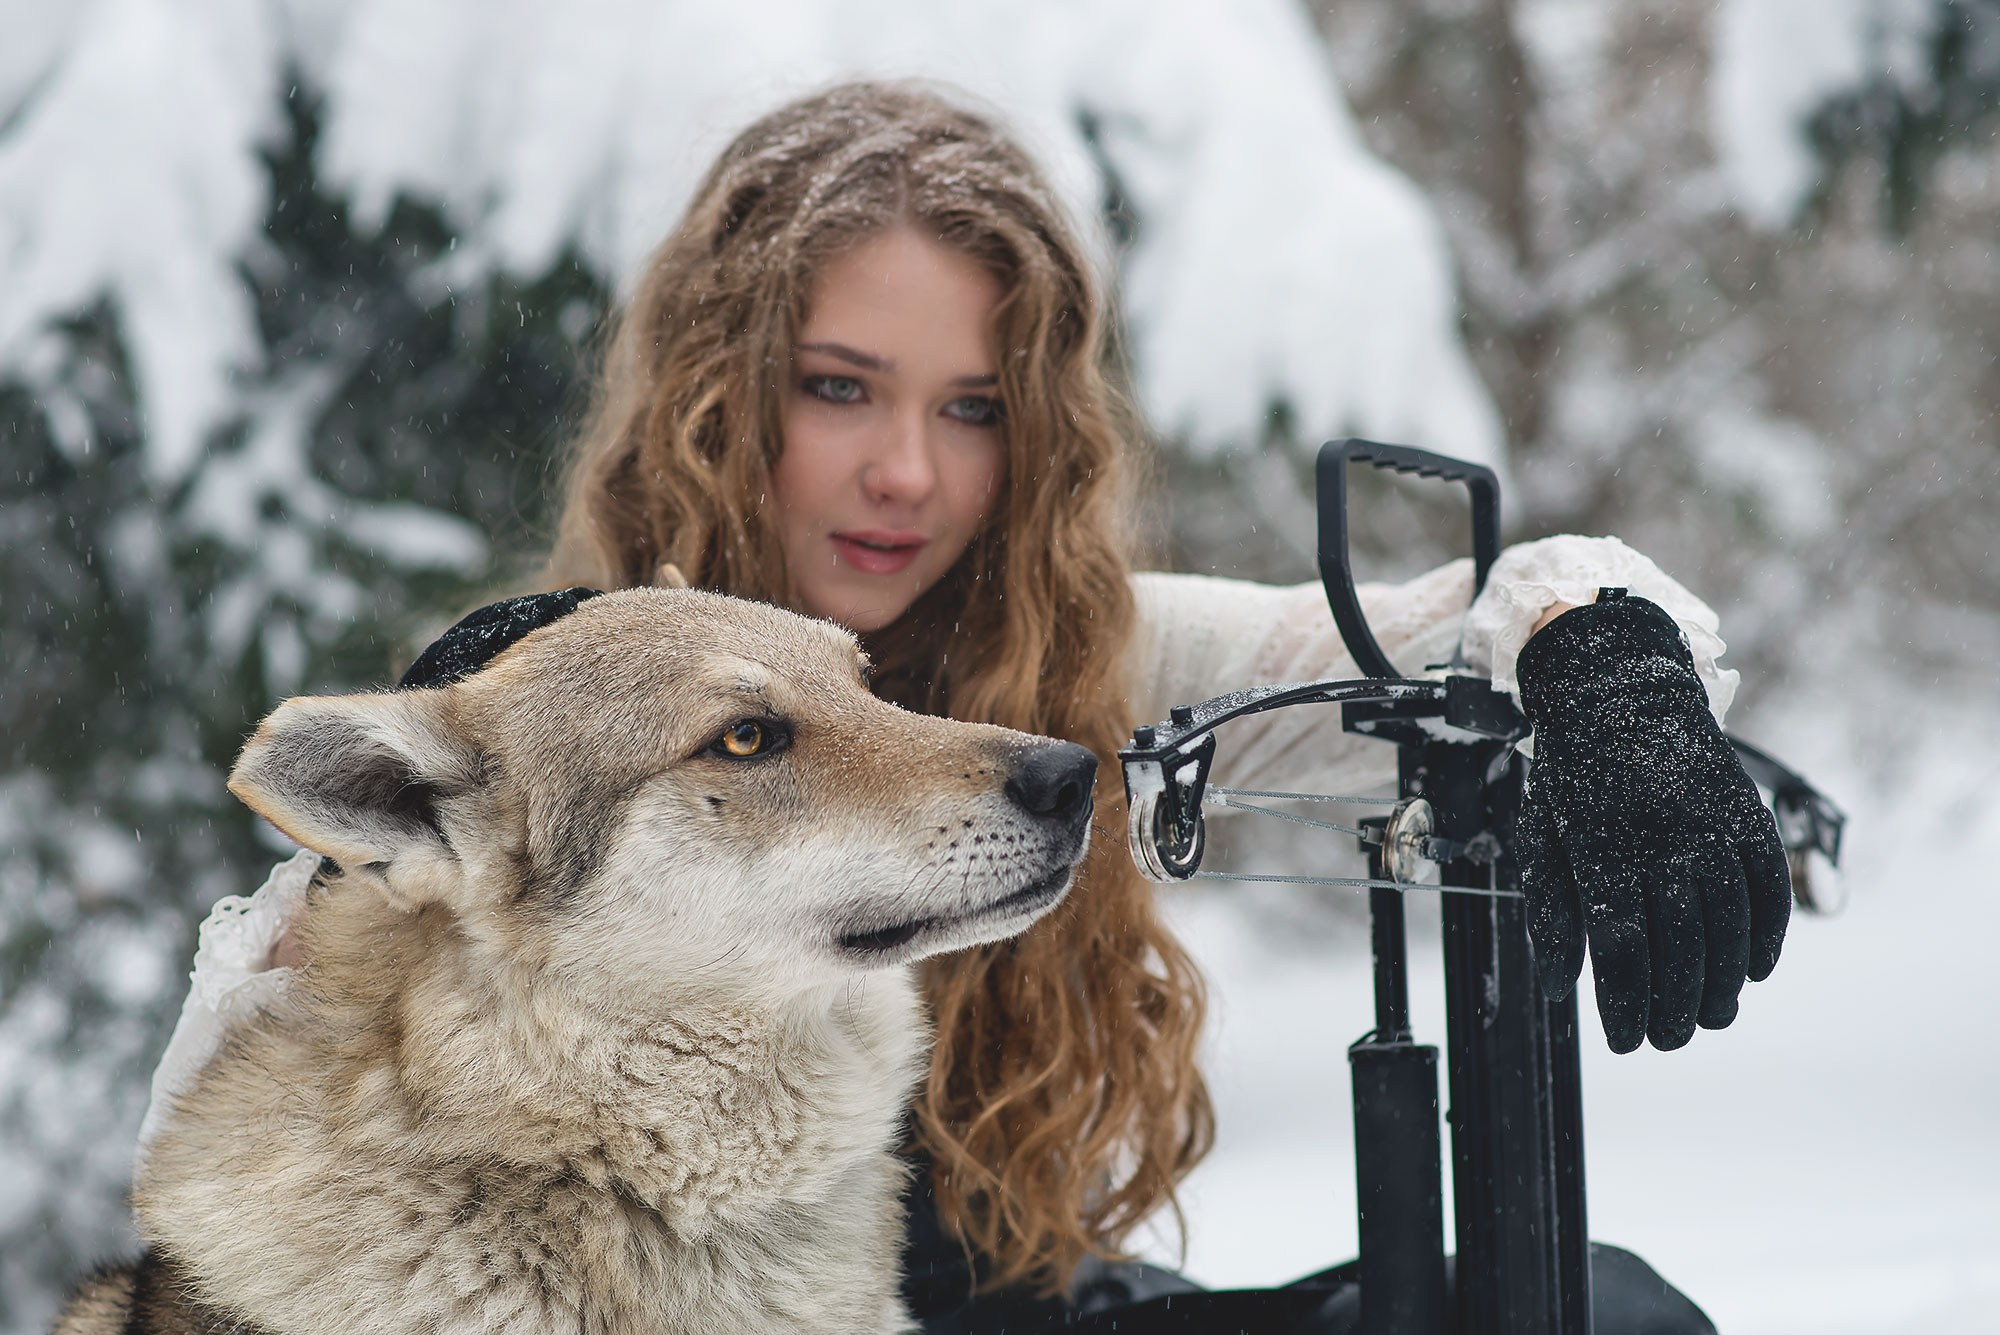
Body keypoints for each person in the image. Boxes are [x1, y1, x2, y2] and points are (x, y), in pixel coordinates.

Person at [143, 81, 1785, 1333]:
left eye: (974, 408)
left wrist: (1603, 658)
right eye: (840, 387)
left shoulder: (1080, 659)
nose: (908, 472)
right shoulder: (546, 710)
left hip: (1019, 1307)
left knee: (1602, 1304)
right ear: (725, 393)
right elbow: (249, 1119)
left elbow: (1455, 625)